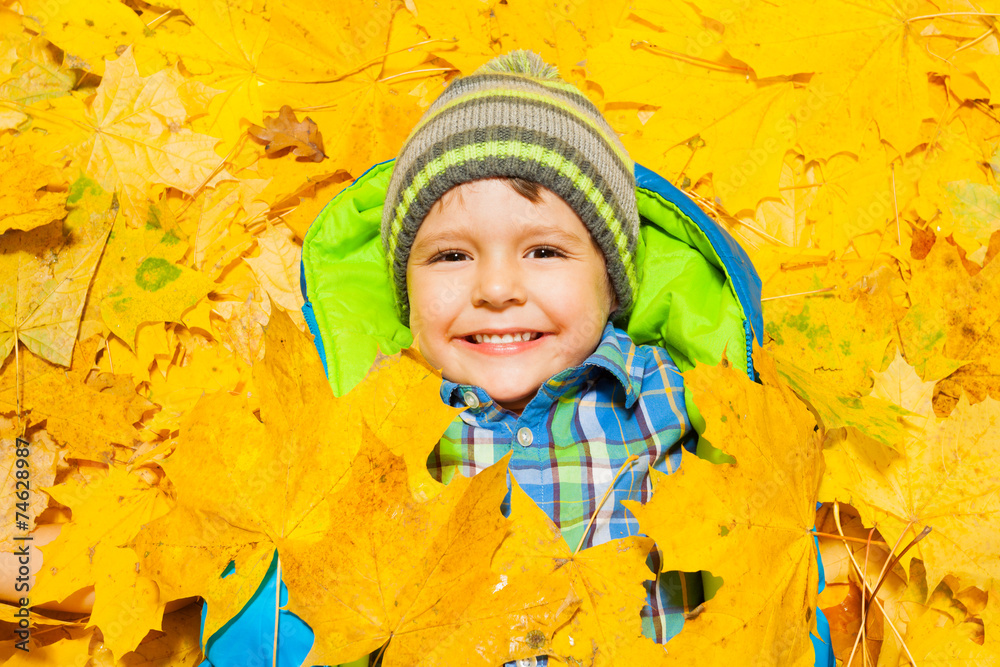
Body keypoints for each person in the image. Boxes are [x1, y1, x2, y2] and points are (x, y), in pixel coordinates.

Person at [200, 50, 834, 666]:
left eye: (544, 252)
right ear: (407, 301)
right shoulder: (372, 432)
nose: (497, 289)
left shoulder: (677, 401)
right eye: (451, 256)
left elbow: (756, 585)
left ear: (611, 285)